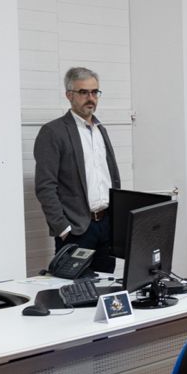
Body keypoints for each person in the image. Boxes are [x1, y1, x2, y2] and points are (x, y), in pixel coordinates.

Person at [33, 66, 121, 271]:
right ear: (69, 95)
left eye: (94, 92)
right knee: (72, 288)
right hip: (77, 230)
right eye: (84, 92)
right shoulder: (53, 132)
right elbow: (45, 186)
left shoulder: (100, 130)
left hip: (106, 226)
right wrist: (62, 228)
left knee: (105, 285)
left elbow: (109, 178)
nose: (90, 98)